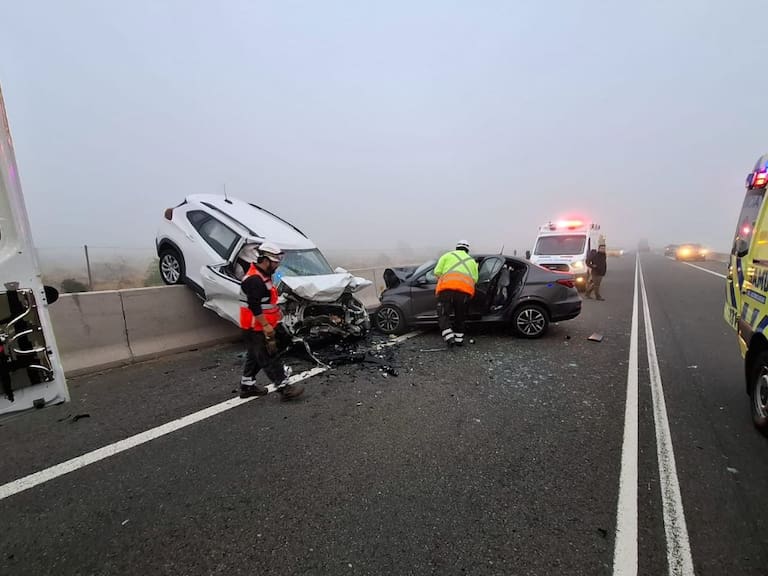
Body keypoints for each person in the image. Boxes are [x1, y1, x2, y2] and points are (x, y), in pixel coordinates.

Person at [239, 241, 304, 400]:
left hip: (258, 326)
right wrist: (266, 325)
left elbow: (267, 302)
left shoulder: (264, 276)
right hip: (255, 327)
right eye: (275, 262)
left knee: (255, 356)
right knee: (269, 357)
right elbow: (254, 306)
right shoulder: (254, 280)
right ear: (265, 260)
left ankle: (247, 386)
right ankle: (284, 388)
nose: (277, 266)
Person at [434, 240, 479, 347]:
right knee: (460, 316)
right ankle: (459, 340)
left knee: (443, 314)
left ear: (456, 248)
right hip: (464, 292)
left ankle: (449, 336)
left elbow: (437, 272)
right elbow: (475, 279)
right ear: (467, 250)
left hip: (446, 290)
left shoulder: (446, 256)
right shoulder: (472, 261)